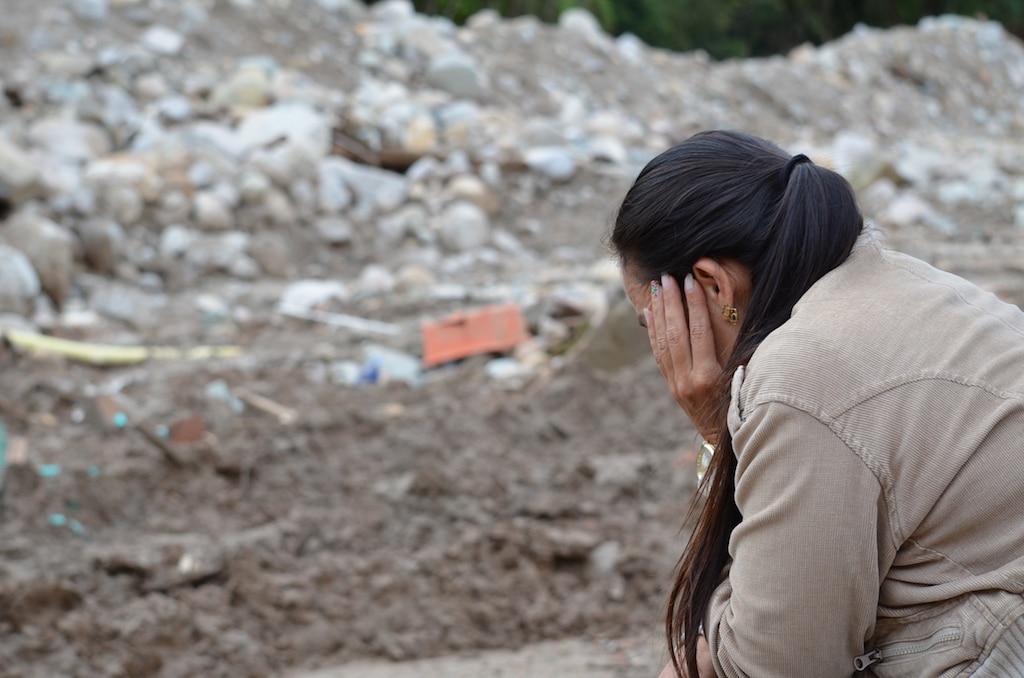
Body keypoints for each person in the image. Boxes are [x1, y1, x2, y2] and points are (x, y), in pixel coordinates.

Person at [610, 130, 1024, 678]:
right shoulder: (898, 280)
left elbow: (779, 663)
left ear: (711, 286)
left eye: (652, 319)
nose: (660, 346)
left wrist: (717, 427)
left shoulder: (800, 376)